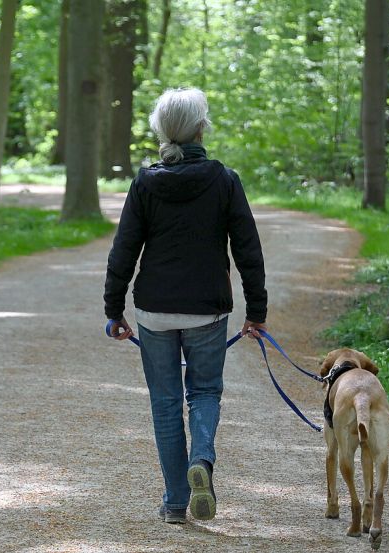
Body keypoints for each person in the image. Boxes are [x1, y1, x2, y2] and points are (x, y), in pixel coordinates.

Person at [103, 88, 268, 524]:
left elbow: (124, 250)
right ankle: (203, 461)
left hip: (154, 311)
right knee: (204, 392)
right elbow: (248, 249)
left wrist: (113, 309)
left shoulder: (145, 183)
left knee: (164, 402)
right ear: (200, 128)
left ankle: (176, 501)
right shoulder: (225, 180)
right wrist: (257, 312)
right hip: (208, 310)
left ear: (162, 131)